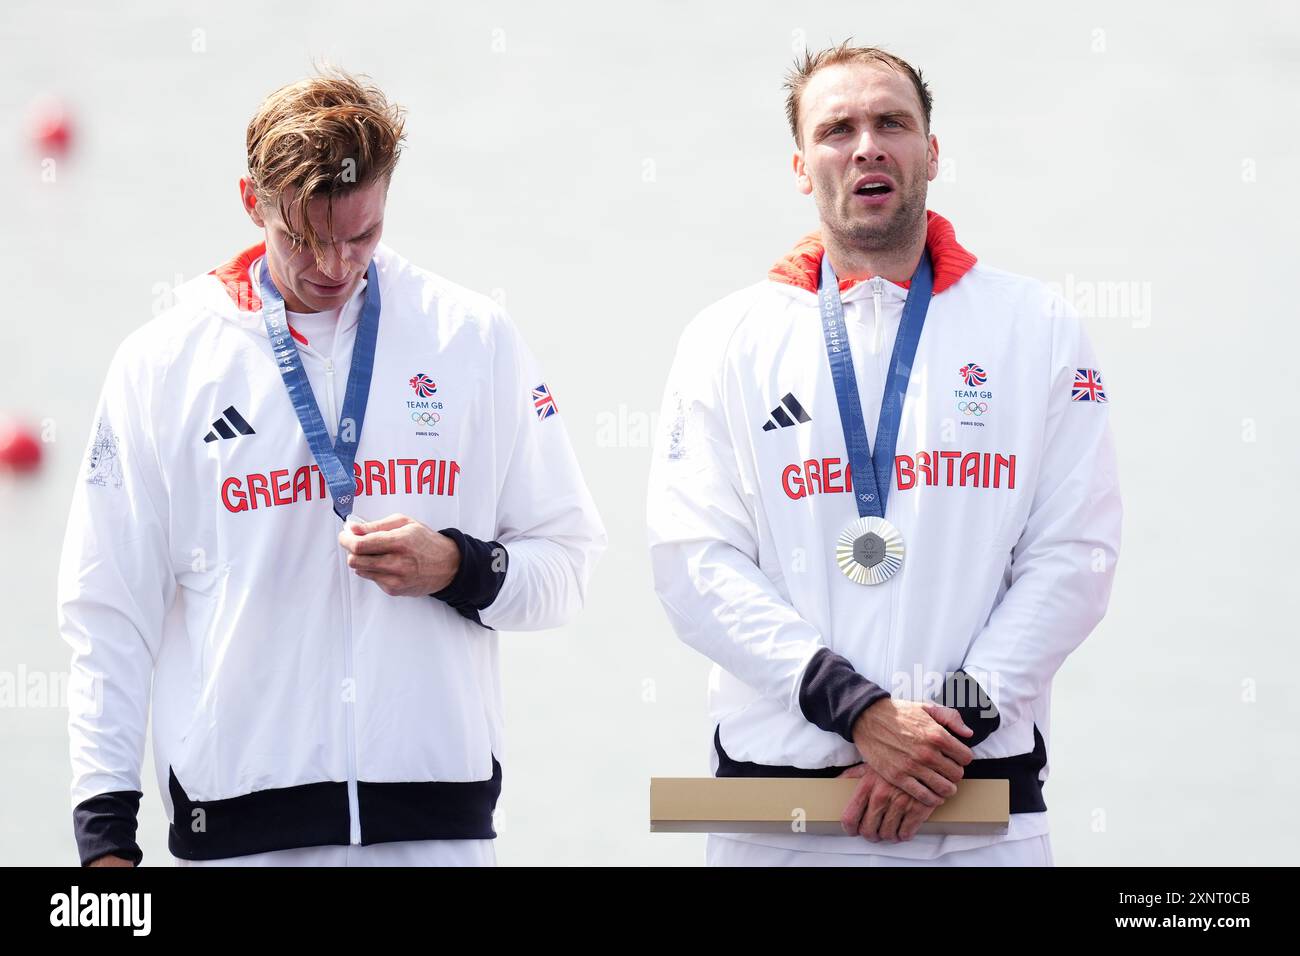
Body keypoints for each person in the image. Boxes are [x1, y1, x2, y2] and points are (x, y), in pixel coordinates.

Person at [59, 69, 605, 867]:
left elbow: (570, 567)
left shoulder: (471, 338)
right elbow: (109, 610)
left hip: (438, 832)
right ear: (252, 201)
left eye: (362, 236)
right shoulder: (162, 362)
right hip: (236, 837)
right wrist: (104, 841)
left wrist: (460, 566)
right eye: (304, 238)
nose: (335, 265)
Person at [646, 42, 1121, 866]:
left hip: (977, 807)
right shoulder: (725, 339)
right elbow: (694, 565)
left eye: (891, 122)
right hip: (783, 814)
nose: (866, 144)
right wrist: (860, 712)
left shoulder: (1036, 326)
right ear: (802, 166)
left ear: (930, 151)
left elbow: (1075, 555)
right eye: (838, 129)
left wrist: (942, 733)